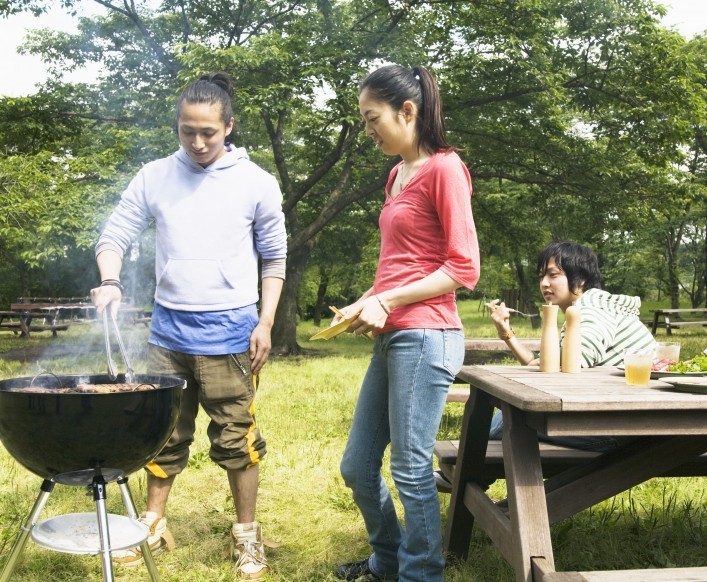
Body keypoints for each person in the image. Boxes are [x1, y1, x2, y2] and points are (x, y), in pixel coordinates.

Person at [91, 72, 287, 580]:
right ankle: (152, 525)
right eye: (186, 131)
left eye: (208, 133)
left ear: (229, 127)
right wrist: (110, 280)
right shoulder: (154, 175)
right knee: (161, 435)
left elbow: (274, 259)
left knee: (235, 437)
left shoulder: (257, 182)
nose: (197, 143)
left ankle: (246, 535)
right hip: (168, 335)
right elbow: (115, 233)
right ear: (176, 127)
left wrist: (265, 322)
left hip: (232, 335)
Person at [333, 64, 480, 582]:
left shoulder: (445, 168)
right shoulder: (397, 173)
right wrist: (366, 302)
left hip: (428, 335)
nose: (367, 129)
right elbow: (403, 260)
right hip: (396, 332)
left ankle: (421, 575)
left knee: (411, 469)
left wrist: (388, 299)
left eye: (373, 118)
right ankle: (389, 560)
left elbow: (464, 268)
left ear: (407, 110)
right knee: (357, 464)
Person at [434, 240, 655, 492]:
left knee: (509, 419)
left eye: (553, 275)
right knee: (509, 419)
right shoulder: (587, 309)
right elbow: (546, 367)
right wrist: (507, 333)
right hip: (627, 422)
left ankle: (464, 479)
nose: (544, 284)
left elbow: (568, 366)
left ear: (580, 280)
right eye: (541, 276)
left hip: (620, 430)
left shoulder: (591, 312)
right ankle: (466, 479)